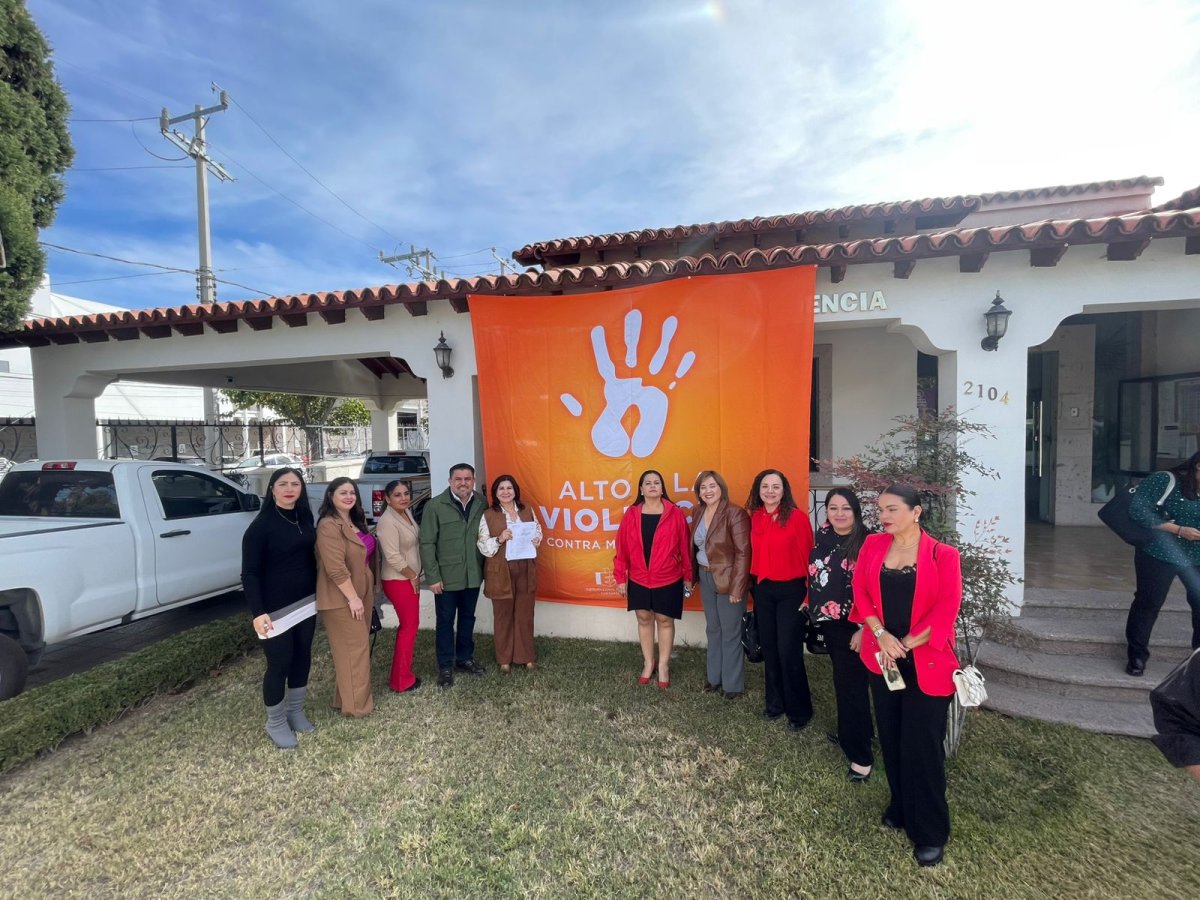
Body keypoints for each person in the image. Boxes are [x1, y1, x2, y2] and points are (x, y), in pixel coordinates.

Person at [850, 483, 962, 868]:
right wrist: (881, 634)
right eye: (880, 509)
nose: (883, 516)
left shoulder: (943, 555)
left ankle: (930, 831)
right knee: (893, 737)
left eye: (892, 509)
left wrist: (906, 643)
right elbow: (861, 591)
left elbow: (946, 609)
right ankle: (900, 805)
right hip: (883, 658)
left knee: (922, 746)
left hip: (927, 662)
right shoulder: (873, 546)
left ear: (916, 512)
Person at [240, 467, 318, 750]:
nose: (289, 489)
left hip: (306, 602)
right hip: (274, 608)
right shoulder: (260, 527)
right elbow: (249, 573)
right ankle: (275, 722)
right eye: (282, 484)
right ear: (271, 489)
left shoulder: (304, 517)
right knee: (279, 663)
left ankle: (295, 711)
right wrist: (257, 612)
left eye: (295, 484)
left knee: (302, 656)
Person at [807, 488, 873, 781]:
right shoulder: (824, 535)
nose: (839, 513)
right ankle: (851, 735)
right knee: (844, 683)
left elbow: (875, 588)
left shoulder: (868, 542)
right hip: (831, 622)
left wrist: (865, 628)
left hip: (856, 625)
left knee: (852, 688)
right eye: (833, 508)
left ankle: (861, 758)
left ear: (855, 511)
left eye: (845, 508)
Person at [746, 468, 815, 731]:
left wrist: (809, 595)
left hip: (792, 592)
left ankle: (800, 711)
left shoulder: (797, 518)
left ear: (784, 490)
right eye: (765, 486)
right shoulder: (755, 517)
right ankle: (775, 705)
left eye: (776, 486)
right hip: (764, 590)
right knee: (770, 648)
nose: (770, 491)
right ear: (758, 490)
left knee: (788, 650)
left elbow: (810, 559)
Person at [613, 469, 693, 689]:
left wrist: (688, 576)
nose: (652, 486)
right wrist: (620, 577)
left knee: (665, 620)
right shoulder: (631, 514)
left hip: (668, 577)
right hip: (639, 578)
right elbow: (622, 548)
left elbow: (685, 547)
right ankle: (649, 663)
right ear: (641, 489)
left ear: (662, 487)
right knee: (643, 618)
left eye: (656, 482)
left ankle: (664, 665)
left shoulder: (675, 513)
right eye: (647, 483)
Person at [1125, 450, 1200, 677]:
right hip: (1159, 552)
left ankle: (1197, 660)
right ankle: (1137, 656)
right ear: (1198, 466)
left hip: (1196, 557)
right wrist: (1178, 530)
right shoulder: (1165, 480)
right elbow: (1137, 511)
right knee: (1149, 602)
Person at [420, 462, 487, 688]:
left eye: (467, 479)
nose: (463, 483)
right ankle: (445, 666)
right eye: (458, 479)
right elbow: (427, 543)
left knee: (468, 618)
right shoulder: (435, 506)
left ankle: (464, 659)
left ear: (473, 481)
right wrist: (432, 577)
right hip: (446, 578)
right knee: (445, 622)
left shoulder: (481, 503)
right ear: (450, 481)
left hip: (472, 575)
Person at [315, 477, 375, 718]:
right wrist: (353, 598)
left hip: (361, 591)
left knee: (353, 649)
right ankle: (357, 708)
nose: (349, 496)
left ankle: (345, 700)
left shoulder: (355, 521)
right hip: (342, 597)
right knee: (354, 650)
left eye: (352, 492)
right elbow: (335, 568)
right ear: (331, 496)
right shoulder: (328, 526)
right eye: (343, 492)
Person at [690, 470, 750, 698]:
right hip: (705, 576)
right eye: (703, 487)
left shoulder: (735, 513)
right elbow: (695, 546)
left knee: (730, 632)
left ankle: (732, 685)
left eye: (712, 486)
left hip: (728, 579)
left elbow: (743, 553)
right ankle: (714, 678)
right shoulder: (697, 512)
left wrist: (737, 587)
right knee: (713, 629)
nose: (708, 491)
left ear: (721, 488)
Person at [478, 474, 543, 673]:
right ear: (495, 493)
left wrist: (537, 539)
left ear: (515, 491)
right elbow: (482, 545)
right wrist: (499, 539)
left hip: (524, 568)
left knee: (525, 613)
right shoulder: (488, 515)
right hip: (500, 571)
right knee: (503, 615)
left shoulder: (527, 510)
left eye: (509, 488)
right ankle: (504, 658)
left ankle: (526, 656)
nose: (505, 492)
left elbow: (537, 530)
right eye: (501, 489)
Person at [375, 479, 422, 693]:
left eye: (406, 493)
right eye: (397, 495)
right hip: (399, 580)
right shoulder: (387, 521)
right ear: (387, 498)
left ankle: (403, 674)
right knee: (409, 627)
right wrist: (413, 576)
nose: (403, 498)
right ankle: (401, 680)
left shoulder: (405, 512)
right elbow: (392, 556)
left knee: (410, 626)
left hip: (408, 578)